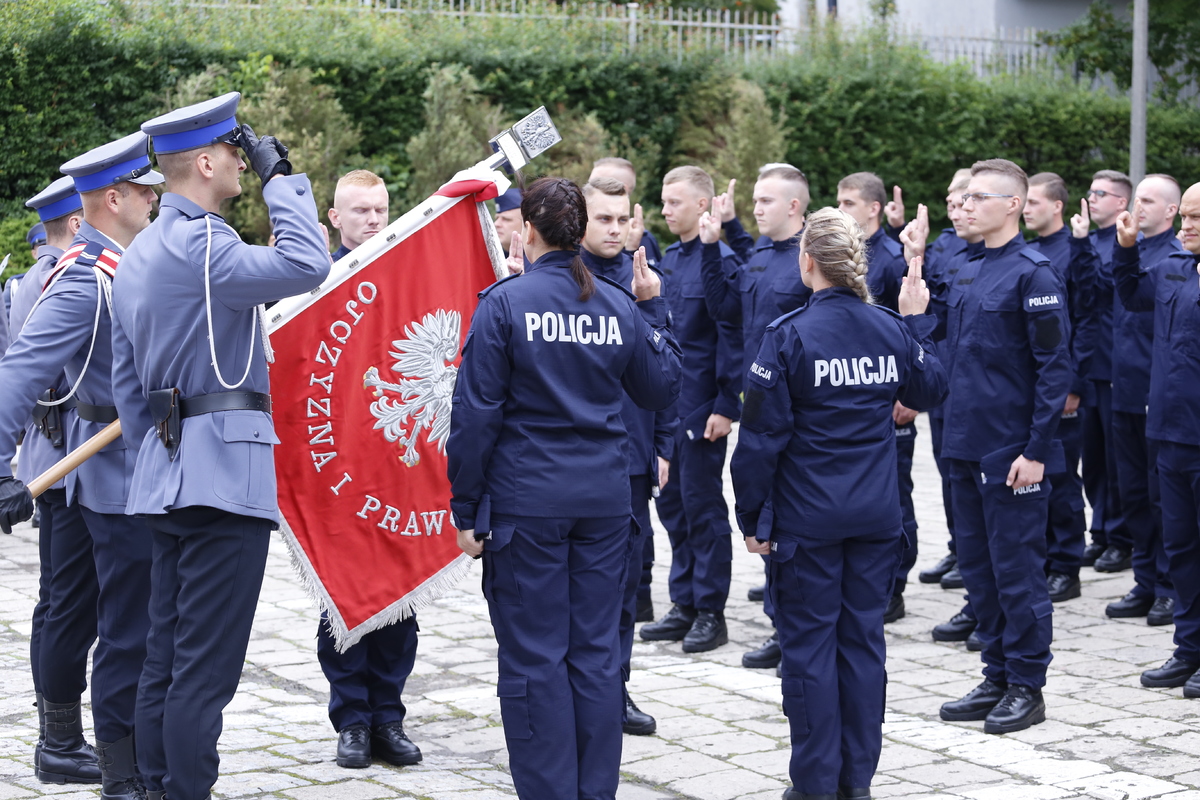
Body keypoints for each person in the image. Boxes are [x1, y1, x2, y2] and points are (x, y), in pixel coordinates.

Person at [109, 92, 330, 800]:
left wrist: (164, 456)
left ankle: (153, 786)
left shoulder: (140, 253)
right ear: (204, 163)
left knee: (165, 661)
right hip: (223, 480)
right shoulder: (208, 247)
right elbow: (306, 261)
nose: (243, 157)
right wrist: (283, 179)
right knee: (204, 674)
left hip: (168, 478)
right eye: (236, 152)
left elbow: (127, 385)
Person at [448, 177, 681, 800]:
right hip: (604, 503)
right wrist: (652, 308)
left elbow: (475, 416)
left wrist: (465, 507)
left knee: (534, 659)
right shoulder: (616, 304)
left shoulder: (504, 304)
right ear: (579, 234)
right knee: (597, 656)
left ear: (527, 230)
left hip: (529, 506)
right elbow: (661, 389)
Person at [731, 207, 947, 799]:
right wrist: (917, 323)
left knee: (808, 655)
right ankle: (857, 784)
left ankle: (816, 786)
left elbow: (759, 442)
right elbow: (931, 388)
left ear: (808, 262)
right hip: (876, 520)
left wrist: (750, 516)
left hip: (808, 526)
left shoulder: (790, 334)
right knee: (862, 648)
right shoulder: (890, 328)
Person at [0, 133, 164, 798]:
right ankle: (93, 755)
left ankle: (85, 748)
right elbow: (19, 372)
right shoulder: (84, 279)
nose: (155, 197)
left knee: (99, 614)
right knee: (106, 620)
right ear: (113, 198)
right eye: (145, 188)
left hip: (107, 466)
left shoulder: (121, 264)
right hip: (100, 472)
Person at [937, 159, 1072, 734]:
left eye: (976, 197)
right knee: (979, 569)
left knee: (1017, 571)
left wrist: (1037, 448)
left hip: (1012, 453)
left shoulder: (1033, 274)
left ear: (1012, 205)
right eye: (962, 198)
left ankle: (1026, 684)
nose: (963, 206)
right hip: (962, 445)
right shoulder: (968, 269)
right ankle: (994, 672)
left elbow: (1054, 367)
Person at [314, 168, 423, 767]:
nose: (374, 219)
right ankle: (351, 720)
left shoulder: (405, 275)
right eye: (359, 211)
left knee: (401, 597)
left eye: (380, 209)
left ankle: (389, 716)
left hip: (397, 469)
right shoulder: (314, 285)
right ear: (334, 218)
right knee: (344, 600)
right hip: (337, 471)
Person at [697, 163, 810, 670]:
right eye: (756, 200)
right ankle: (782, 628)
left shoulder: (812, 259)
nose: (756, 208)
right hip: (758, 408)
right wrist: (709, 246)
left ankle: (802, 634)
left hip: (800, 415)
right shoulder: (761, 252)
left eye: (766, 200)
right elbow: (725, 310)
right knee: (768, 520)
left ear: (794, 206)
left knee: (799, 524)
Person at [5, 177, 99, 785]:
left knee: (56, 604)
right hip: (76, 462)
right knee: (73, 608)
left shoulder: (20, 283)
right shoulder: (64, 279)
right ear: (76, 220)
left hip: (49, 461)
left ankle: (55, 733)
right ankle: (59, 742)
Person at [579, 175, 674, 736]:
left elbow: (668, 370)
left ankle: (615, 690)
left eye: (622, 220)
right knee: (584, 587)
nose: (614, 230)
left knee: (624, 587)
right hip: (583, 458)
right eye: (603, 220)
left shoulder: (646, 281)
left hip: (635, 461)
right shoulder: (569, 279)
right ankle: (582, 691)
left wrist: (662, 446)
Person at [639, 165, 742, 653]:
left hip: (703, 407)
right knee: (674, 507)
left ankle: (710, 611)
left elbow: (730, 334)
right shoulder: (672, 260)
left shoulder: (719, 260)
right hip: (669, 406)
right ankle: (682, 602)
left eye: (673, 201)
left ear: (703, 205)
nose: (664, 209)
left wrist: (726, 404)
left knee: (703, 509)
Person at [1112, 183, 1200, 695]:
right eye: (1185, 217)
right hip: (1169, 434)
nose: (1187, 226)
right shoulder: (1173, 270)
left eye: (1196, 218)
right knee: (1182, 547)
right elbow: (1131, 293)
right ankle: (1189, 648)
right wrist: (1125, 251)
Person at [837, 172, 915, 623]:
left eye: (850, 203)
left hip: (888, 400)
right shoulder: (846, 260)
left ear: (874, 209)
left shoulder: (890, 259)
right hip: (849, 394)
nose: (842, 209)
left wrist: (907, 394)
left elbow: (910, 326)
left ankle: (894, 587)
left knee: (896, 495)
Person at [1106, 175, 1182, 627]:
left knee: (1161, 497)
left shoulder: (1177, 257)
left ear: (1171, 211)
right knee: (1131, 492)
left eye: (1150, 201)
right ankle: (1147, 579)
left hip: (1160, 398)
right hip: (1124, 391)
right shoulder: (1128, 247)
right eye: (1138, 199)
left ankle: (1172, 587)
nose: (1140, 206)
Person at [1024, 172, 1097, 604]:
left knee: (1063, 476)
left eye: (1034, 202)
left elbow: (1087, 320)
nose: (1027, 208)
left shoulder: (1072, 252)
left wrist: (1074, 382)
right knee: (1040, 480)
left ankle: (1068, 565)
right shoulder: (1030, 252)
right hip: (1033, 386)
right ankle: (1046, 558)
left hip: (1062, 385)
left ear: (1057, 206)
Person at [1072, 170, 1135, 573]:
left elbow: (1106, 285)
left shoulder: (1129, 245)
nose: (1092, 199)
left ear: (1121, 203)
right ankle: (1102, 531)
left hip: (1118, 366)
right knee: (1092, 459)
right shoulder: (1087, 239)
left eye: (1101, 193)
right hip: (1090, 366)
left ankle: (1123, 537)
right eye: (1091, 191)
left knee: (1117, 460)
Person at [590, 156, 663, 268]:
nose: (589, 189)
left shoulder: (645, 240)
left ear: (622, 189)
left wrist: (631, 251)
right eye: (604, 219)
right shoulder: (582, 236)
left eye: (598, 183)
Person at [328, 169, 390, 261]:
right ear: (336, 218)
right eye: (361, 210)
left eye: (380, 210)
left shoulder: (408, 266)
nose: (374, 220)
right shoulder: (329, 272)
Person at [494, 186, 523, 256]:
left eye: (506, 219)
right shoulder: (497, 257)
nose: (496, 224)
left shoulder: (537, 264)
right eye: (497, 218)